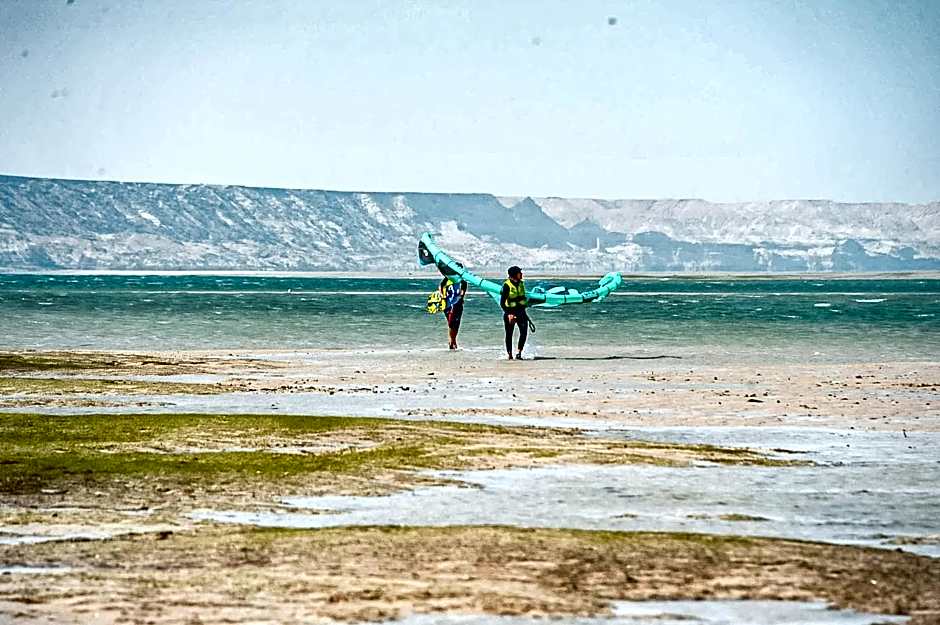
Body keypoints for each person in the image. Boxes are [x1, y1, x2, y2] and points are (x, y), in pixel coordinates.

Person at [500, 265, 528, 360]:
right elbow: (502, 302)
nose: (521, 274)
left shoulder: (521, 284)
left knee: (524, 332)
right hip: (510, 312)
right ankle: (510, 355)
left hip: (521, 312)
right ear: (514, 275)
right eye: (520, 273)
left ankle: (519, 353)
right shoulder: (507, 285)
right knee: (509, 334)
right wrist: (509, 314)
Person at [440, 274, 467, 350]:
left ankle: (452, 341)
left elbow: (463, 288)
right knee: (451, 323)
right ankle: (452, 341)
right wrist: (442, 295)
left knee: (456, 324)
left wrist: (461, 296)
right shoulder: (448, 278)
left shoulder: (462, 280)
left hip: (457, 304)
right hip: (447, 304)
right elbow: (441, 285)